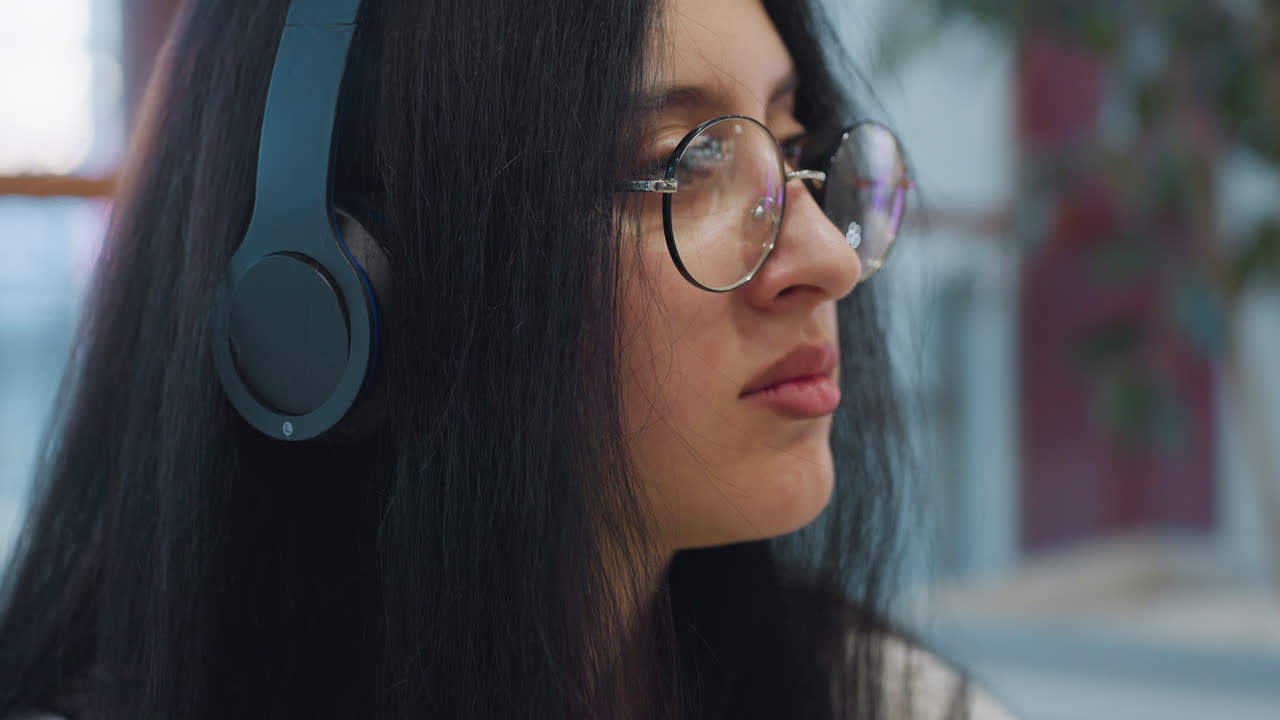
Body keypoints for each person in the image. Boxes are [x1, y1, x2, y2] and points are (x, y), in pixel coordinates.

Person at [0, 0, 1016, 718]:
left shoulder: (883, 699)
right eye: (687, 161)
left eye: (793, 144)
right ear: (349, 293)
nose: (828, 261)